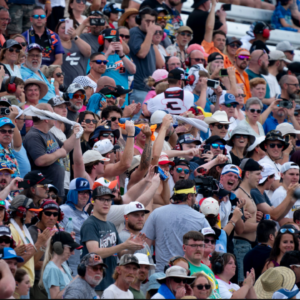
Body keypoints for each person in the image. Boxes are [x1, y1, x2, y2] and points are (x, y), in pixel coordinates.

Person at [80, 186, 145, 295]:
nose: (106, 203)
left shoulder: (111, 225)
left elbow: (121, 255)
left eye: (109, 199)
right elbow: (94, 253)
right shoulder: (90, 224)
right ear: (93, 201)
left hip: (111, 283)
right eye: (101, 199)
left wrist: (132, 248)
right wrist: (124, 245)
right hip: (95, 285)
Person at [142, 180, 210, 273]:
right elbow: (209, 248)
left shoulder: (157, 213)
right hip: (189, 276)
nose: (196, 198)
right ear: (189, 196)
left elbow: (145, 245)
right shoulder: (200, 218)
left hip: (162, 275)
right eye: (195, 195)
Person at [23, 103, 81, 198]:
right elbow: (40, 160)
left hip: (56, 191)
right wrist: (58, 153)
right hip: (45, 193)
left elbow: (65, 148)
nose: (55, 116)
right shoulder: (34, 136)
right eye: (52, 113)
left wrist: (75, 134)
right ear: (46, 119)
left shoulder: (48, 134)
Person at [128, 7, 159, 119]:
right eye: (147, 21)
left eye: (153, 22)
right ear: (139, 20)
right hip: (138, 87)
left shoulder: (148, 37)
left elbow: (160, 63)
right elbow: (141, 53)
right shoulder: (134, 32)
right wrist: (150, 33)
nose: (150, 24)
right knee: (137, 121)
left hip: (148, 89)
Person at [28, 199, 59, 299]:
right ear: (40, 215)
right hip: (36, 282)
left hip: (53, 281)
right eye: (48, 213)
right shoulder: (32, 232)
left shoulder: (55, 231)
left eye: (55, 214)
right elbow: (30, 263)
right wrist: (54, 263)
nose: (52, 217)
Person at [60, 177, 91, 276]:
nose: (85, 195)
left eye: (87, 192)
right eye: (81, 192)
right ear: (73, 193)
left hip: (83, 265)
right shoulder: (63, 210)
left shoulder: (86, 215)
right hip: (67, 264)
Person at [39, 231, 82, 299]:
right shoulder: (52, 269)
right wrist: (75, 280)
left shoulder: (64, 267)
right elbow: (55, 297)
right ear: (58, 247)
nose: (73, 253)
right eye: (71, 249)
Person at [101, 28, 136, 107]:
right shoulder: (98, 57)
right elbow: (93, 72)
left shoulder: (123, 57)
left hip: (122, 102)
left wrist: (122, 55)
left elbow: (133, 70)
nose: (113, 43)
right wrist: (107, 53)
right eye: (110, 41)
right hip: (105, 102)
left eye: (115, 40)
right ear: (103, 41)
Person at [182, 230, 221, 298]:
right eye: (194, 245)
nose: (198, 249)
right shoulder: (182, 268)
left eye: (201, 245)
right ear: (184, 247)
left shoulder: (207, 269)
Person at [56, 19, 91, 87]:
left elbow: (88, 52)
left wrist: (75, 36)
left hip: (80, 87)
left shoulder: (77, 42)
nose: (66, 30)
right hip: (62, 86)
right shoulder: (55, 44)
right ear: (58, 31)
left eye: (69, 28)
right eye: (63, 28)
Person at [259, 130, 289, 196]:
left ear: (282, 147)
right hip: (268, 205)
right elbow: (277, 186)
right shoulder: (264, 163)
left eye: (279, 145)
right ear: (265, 146)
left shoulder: (277, 165)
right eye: (272, 145)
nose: (276, 148)